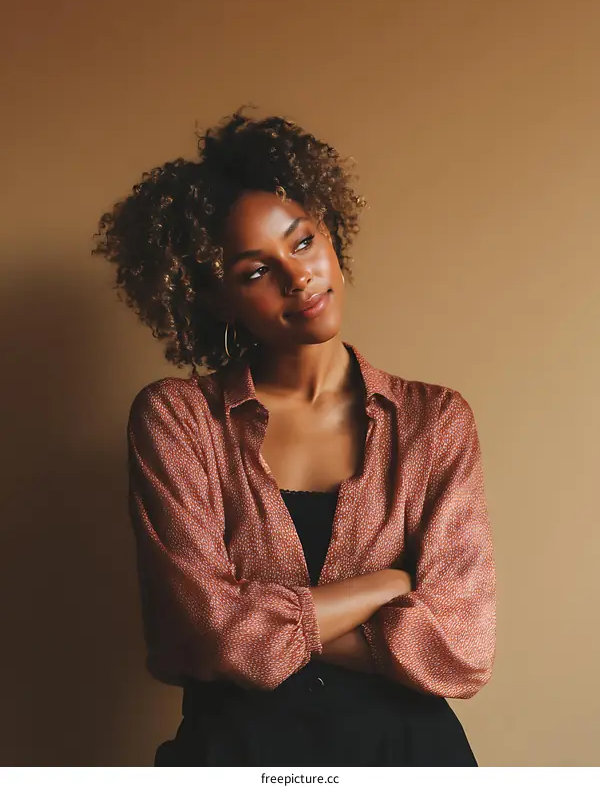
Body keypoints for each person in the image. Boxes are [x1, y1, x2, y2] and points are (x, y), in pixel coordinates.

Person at [93, 110, 496, 766]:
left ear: (331, 233)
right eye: (254, 271)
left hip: (411, 757)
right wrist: (388, 585)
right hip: (235, 756)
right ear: (214, 299)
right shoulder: (177, 420)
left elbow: (460, 649)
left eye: (302, 242)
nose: (297, 275)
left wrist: (252, 628)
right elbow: (198, 639)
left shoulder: (434, 421)